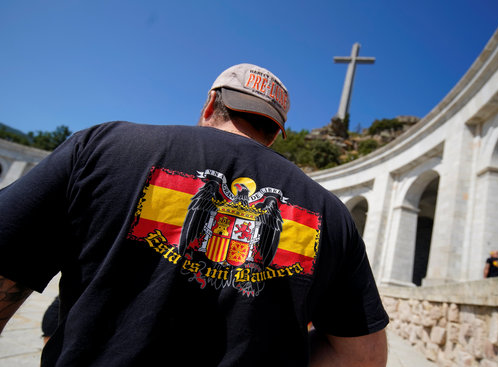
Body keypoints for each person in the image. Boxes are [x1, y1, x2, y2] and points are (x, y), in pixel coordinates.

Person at [0, 63, 388, 366]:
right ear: (275, 133)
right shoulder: (329, 214)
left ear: (209, 103)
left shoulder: (104, 146)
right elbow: (363, 357)